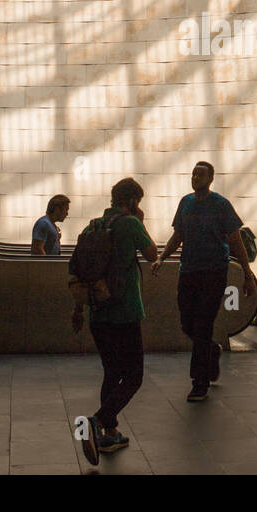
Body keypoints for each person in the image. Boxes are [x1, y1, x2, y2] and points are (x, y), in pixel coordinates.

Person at [151, 161, 254, 402]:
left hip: (214, 272)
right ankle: (211, 349)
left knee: (203, 324)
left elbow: (236, 240)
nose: (195, 177)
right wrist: (161, 258)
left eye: (200, 174)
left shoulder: (221, 205)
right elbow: (178, 235)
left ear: (211, 178)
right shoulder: (185, 203)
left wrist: (247, 274)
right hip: (189, 271)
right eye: (193, 174)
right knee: (188, 323)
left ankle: (200, 382)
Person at [70, 178, 157, 465]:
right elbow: (152, 254)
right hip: (125, 313)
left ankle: (110, 433)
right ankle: (98, 421)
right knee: (134, 376)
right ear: (131, 201)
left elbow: (78, 269)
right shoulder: (130, 224)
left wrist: (78, 310)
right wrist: (140, 223)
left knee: (111, 371)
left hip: (98, 313)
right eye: (138, 202)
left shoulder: (92, 226)